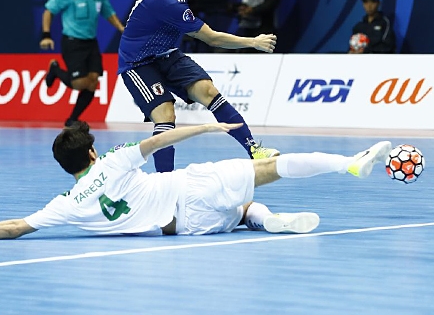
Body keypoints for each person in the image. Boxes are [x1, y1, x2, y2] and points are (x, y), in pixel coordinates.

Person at [0, 121, 392, 239]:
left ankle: (266, 221)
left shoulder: (64, 204)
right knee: (272, 167)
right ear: (90, 154)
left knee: (242, 211)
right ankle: (350, 165)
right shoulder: (112, 162)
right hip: (188, 186)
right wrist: (206, 127)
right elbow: (159, 139)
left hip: (188, 227)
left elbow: (15, 228)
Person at [116, 0, 279, 173]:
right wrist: (253, 42)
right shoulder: (170, 2)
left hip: (167, 54)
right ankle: (165, 183)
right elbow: (212, 38)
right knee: (165, 115)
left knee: (208, 91)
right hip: (137, 62)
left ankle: (254, 150)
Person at [40, 0, 125, 126]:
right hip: (73, 42)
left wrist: (121, 28)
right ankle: (55, 69)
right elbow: (49, 11)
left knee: (93, 82)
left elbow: (108, 13)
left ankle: (72, 119)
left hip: (91, 43)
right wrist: (46, 35)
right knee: (79, 83)